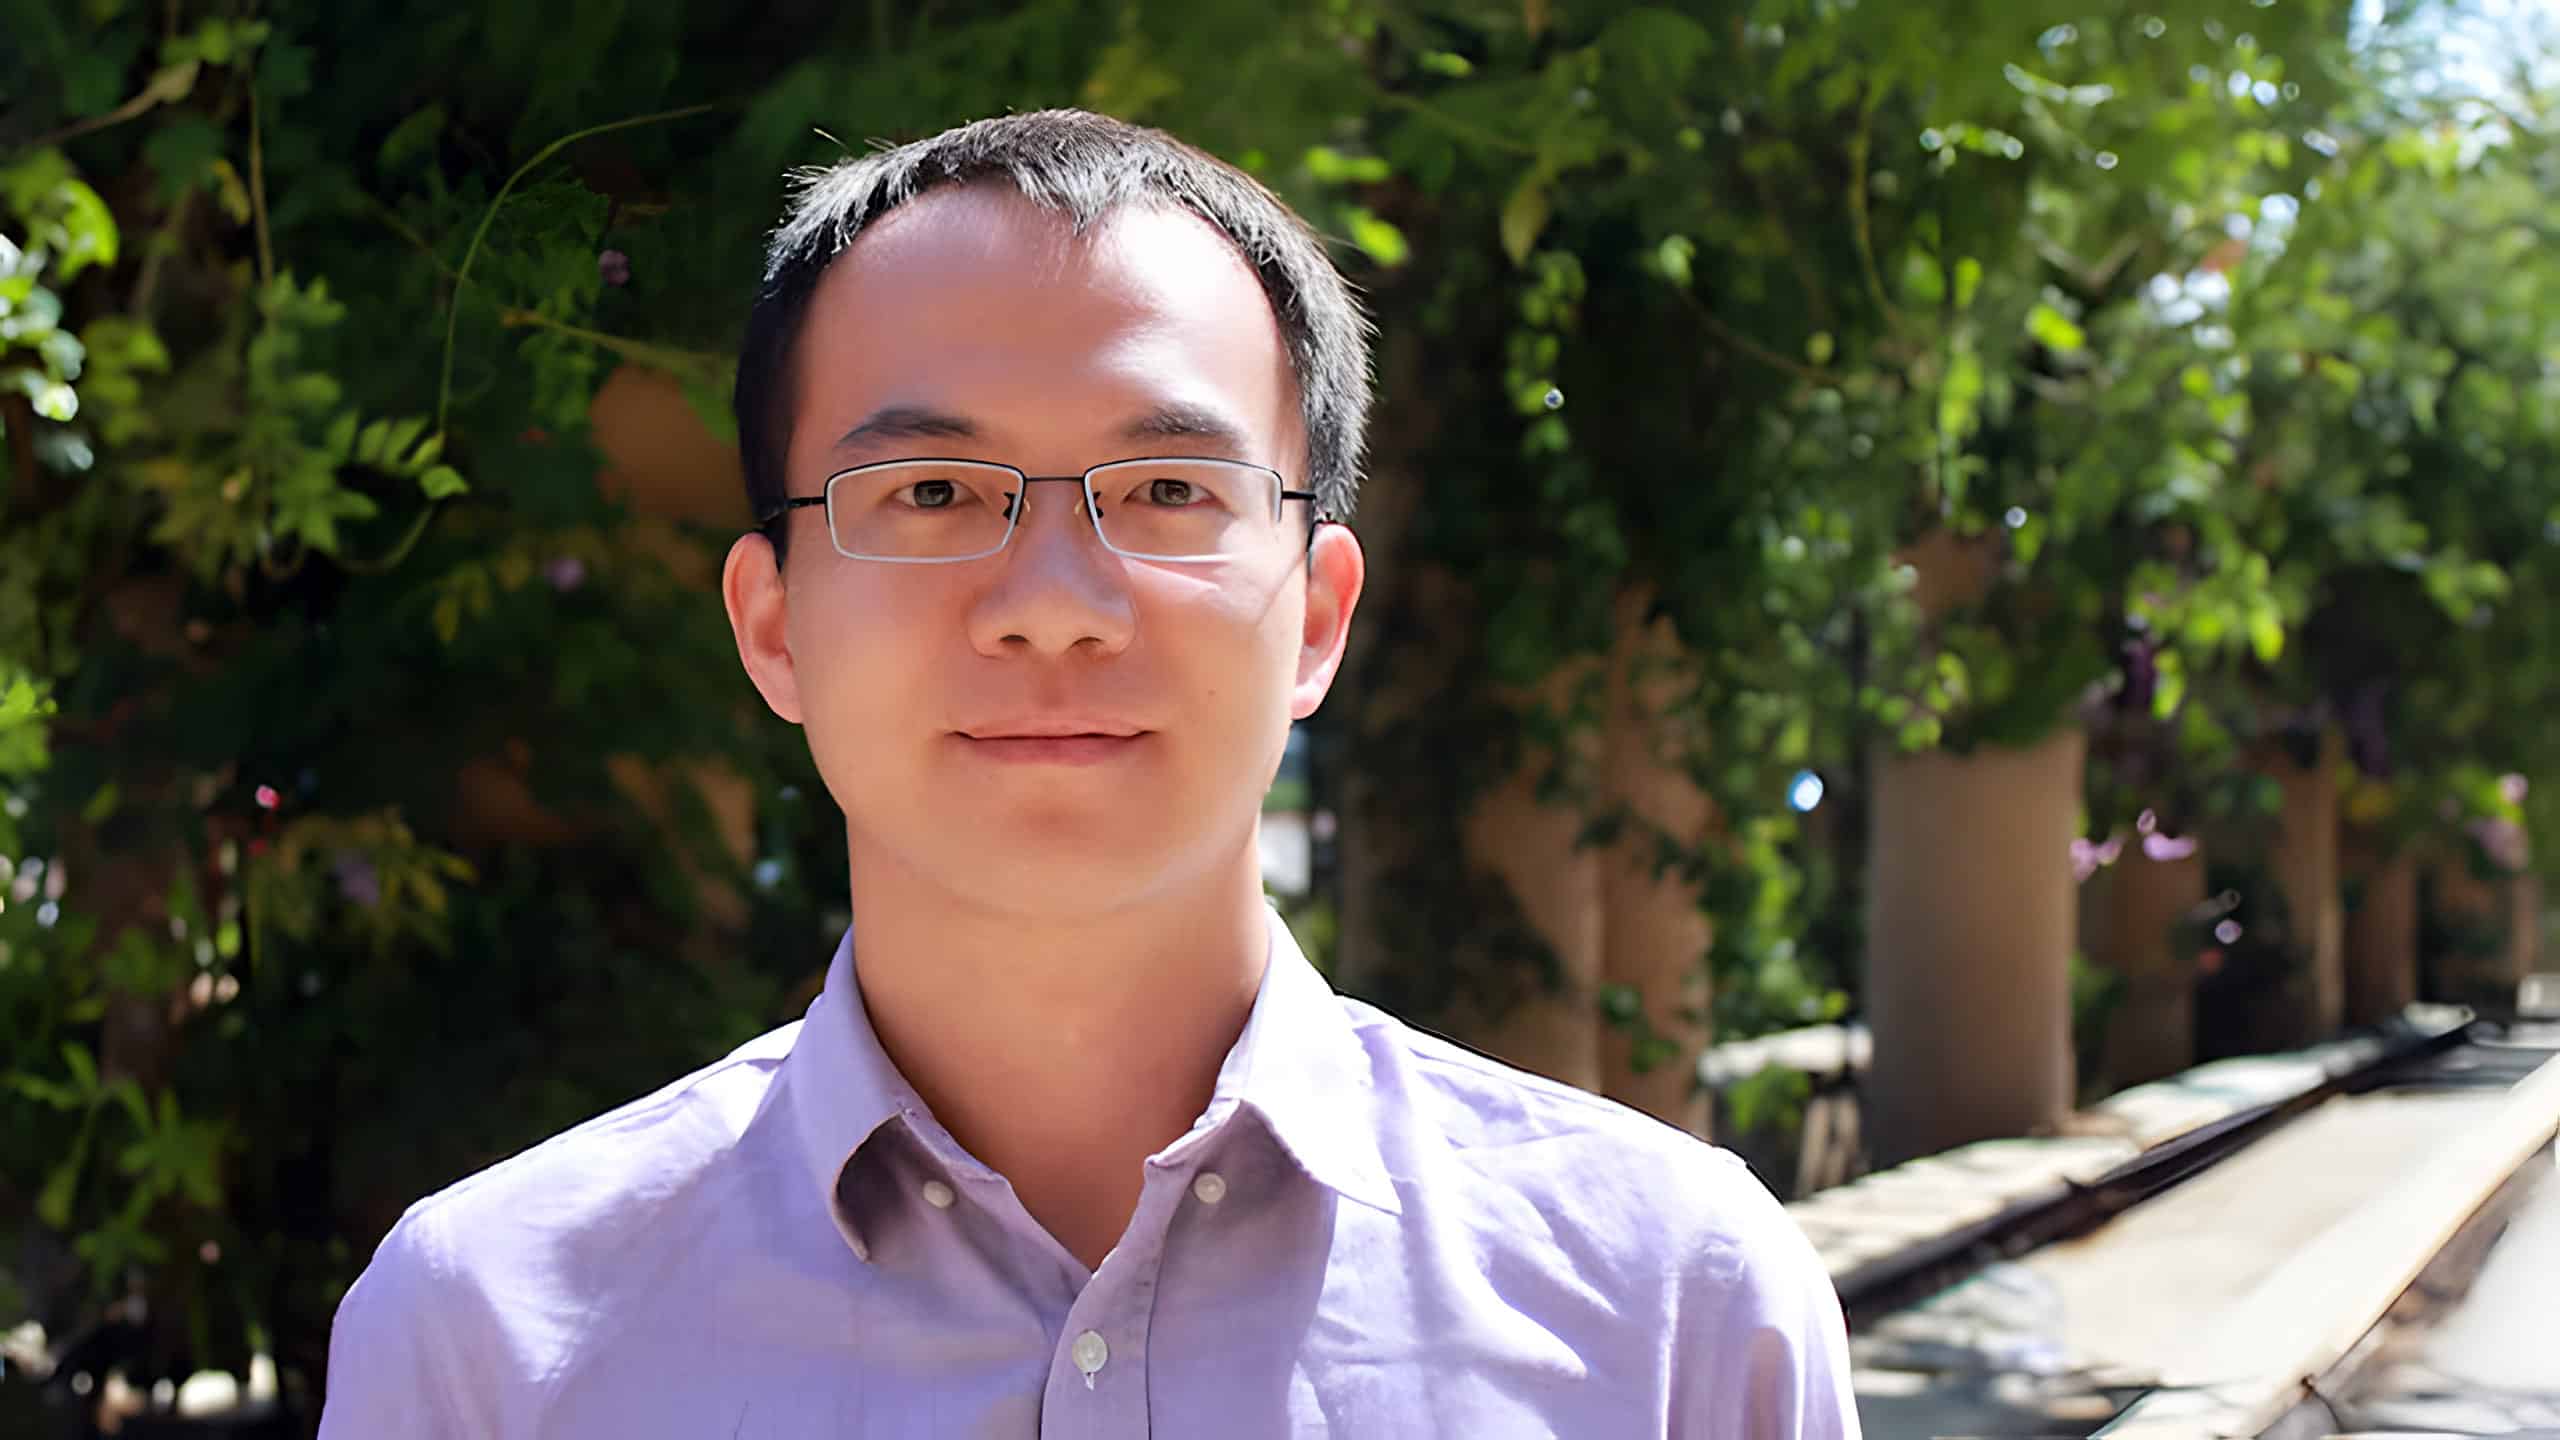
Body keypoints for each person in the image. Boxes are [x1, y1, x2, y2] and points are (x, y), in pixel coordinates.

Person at [318, 108, 1859, 1439]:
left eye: (1169, 488)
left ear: (1316, 618)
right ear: (775, 627)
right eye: (928, 488)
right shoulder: (491, 1347)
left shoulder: (1678, 1318)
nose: (1053, 598)